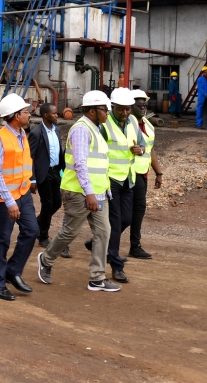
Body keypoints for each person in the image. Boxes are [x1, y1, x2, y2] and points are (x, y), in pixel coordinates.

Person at [37, 91, 120, 292]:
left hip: (99, 193)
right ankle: (46, 260)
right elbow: (81, 164)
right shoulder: (82, 130)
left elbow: (99, 164)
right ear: (92, 111)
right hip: (80, 192)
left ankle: (97, 278)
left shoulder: (96, 129)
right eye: (104, 109)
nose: (108, 113)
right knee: (70, 232)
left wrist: (101, 191)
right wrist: (89, 193)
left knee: (103, 232)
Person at [0, 93, 38, 300]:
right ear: (16, 116)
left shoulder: (22, 133)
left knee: (32, 230)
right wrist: (9, 202)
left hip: (22, 193)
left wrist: (31, 180)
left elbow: (23, 162)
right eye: (26, 112)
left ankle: (12, 270)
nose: (29, 114)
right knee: (2, 240)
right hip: (2, 199)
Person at [88, 88, 142, 282]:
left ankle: (97, 241)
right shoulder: (104, 124)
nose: (125, 113)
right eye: (121, 109)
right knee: (116, 222)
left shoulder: (133, 121)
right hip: (109, 179)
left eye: (128, 109)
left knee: (126, 218)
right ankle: (116, 266)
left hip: (128, 177)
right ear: (112, 108)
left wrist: (140, 149)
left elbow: (142, 144)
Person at [128, 90, 162, 259]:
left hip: (143, 173)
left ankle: (135, 245)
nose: (143, 108)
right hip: (129, 172)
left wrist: (158, 172)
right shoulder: (128, 124)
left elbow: (150, 150)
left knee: (138, 210)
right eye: (139, 105)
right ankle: (105, 241)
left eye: (144, 105)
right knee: (128, 212)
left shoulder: (147, 125)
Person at [29, 103, 64, 248]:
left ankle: (36, 224)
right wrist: (33, 178)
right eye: (54, 113)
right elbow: (30, 156)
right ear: (45, 115)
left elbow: (60, 152)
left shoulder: (56, 131)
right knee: (47, 204)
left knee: (57, 203)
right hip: (43, 172)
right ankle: (42, 236)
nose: (57, 115)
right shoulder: (36, 133)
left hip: (56, 171)